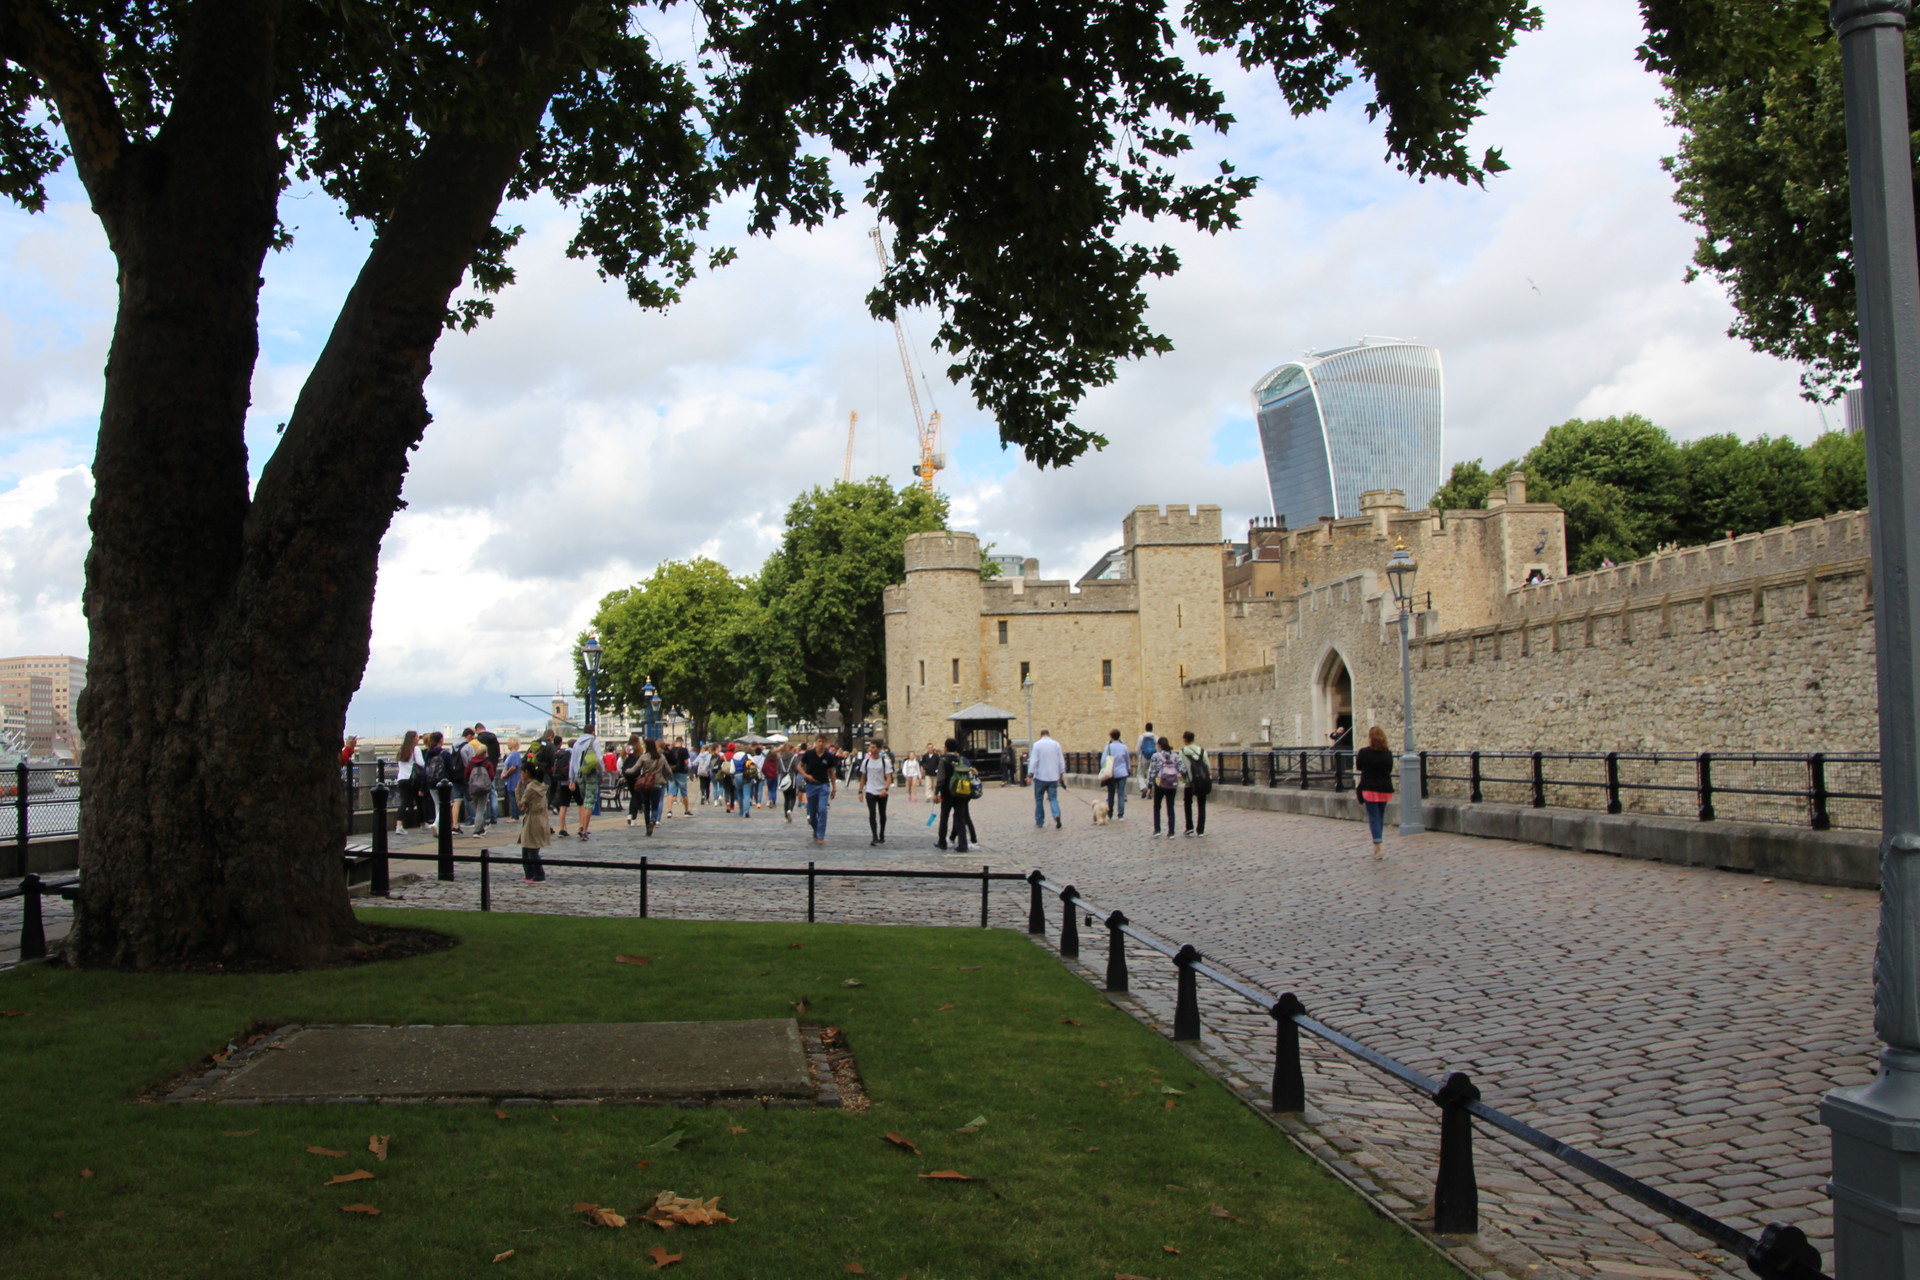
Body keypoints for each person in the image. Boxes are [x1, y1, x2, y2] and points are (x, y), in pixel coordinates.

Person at [517, 733, 554, 882]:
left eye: (522, 772)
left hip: (532, 820)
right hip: (540, 819)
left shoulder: (530, 788)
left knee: (529, 850)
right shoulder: (540, 785)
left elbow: (522, 806)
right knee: (531, 849)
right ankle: (531, 874)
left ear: (526, 773)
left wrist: (517, 791)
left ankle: (536, 874)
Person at [1355, 725, 1396, 860]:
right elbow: (1389, 769)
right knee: (1380, 816)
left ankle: (1378, 845)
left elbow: (1359, 766)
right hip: (1384, 787)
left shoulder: (1364, 752)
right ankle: (1378, 841)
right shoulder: (1387, 753)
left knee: (1373, 817)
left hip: (1369, 787)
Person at [936, 737, 978, 852]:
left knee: (944, 817)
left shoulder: (943, 760)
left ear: (946, 747)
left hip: (947, 793)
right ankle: (962, 844)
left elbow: (941, 779)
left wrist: (936, 792)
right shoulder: (961, 759)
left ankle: (942, 842)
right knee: (960, 819)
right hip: (960, 792)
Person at [798, 734, 836, 845]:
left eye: (823, 742)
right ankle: (816, 829)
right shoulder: (809, 754)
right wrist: (805, 775)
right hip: (811, 785)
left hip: (823, 785)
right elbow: (799, 766)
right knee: (812, 813)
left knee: (822, 810)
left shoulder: (828, 756)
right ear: (816, 742)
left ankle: (820, 835)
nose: (821, 744)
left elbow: (831, 772)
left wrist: (834, 788)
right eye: (819, 741)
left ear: (826, 743)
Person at [1028, 728, 1065, 829]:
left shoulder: (1037, 745)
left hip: (1040, 776)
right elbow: (1061, 761)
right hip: (1053, 777)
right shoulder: (1056, 744)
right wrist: (1061, 775)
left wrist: (1030, 775)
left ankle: (1040, 821)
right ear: (1049, 734)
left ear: (1041, 735)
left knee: (1039, 799)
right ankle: (1056, 814)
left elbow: (1033, 761)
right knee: (1053, 799)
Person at [1148, 735, 1184, 838]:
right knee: (1170, 807)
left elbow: (1152, 772)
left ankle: (1157, 829)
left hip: (1160, 784)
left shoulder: (1156, 756)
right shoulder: (1175, 756)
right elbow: (1182, 768)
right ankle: (1171, 831)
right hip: (1172, 784)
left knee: (1157, 807)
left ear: (1159, 745)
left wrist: (1150, 786)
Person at [859, 739, 892, 845]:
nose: (871, 749)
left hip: (881, 790)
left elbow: (888, 777)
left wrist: (885, 789)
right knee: (872, 813)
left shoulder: (885, 762)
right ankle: (874, 836)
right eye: (870, 747)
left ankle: (882, 833)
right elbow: (863, 778)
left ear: (879, 749)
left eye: (873, 747)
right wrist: (860, 791)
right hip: (870, 790)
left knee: (882, 814)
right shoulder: (866, 762)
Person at [1179, 731, 1210, 836]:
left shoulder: (1183, 752)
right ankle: (1200, 829)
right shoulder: (1202, 751)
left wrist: (1185, 778)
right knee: (1201, 805)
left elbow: (1181, 768)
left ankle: (1189, 827)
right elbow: (1207, 766)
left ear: (1185, 739)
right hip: (1201, 781)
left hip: (1189, 782)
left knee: (1188, 804)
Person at [391, 729, 421, 833]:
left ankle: (399, 824)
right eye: (417, 736)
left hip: (401, 778)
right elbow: (421, 763)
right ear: (413, 738)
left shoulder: (401, 749)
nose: (418, 738)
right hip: (411, 778)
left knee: (404, 801)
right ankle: (423, 822)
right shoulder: (415, 749)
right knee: (419, 800)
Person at [465, 742, 497, 837]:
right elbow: (491, 775)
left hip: (473, 788)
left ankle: (481, 828)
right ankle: (477, 830)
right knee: (481, 809)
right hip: (484, 788)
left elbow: (466, 776)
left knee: (476, 808)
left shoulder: (470, 763)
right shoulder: (487, 763)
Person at [1100, 728, 1130, 819]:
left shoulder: (1108, 747)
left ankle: (1110, 813)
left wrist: (1103, 769)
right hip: (1122, 772)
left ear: (1111, 737)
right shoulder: (1124, 747)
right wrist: (1128, 768)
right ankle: (1121, 815)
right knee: (1121, 794)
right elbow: (1127, 760)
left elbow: (1103, 761)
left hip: (1111, 773)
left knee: (1111, 794)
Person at [499, 737, 523, 822]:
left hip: (514, 779)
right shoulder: (509, 755)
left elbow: (513, 767)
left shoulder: (515, 754)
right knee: (511, 797)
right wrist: (503, 773)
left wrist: (505, 774)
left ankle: (515, 816)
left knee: (514, 798)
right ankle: (513, 815)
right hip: (509, 780)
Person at [668, 736, 692, 816]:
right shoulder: (684, 750)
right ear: (681, 742)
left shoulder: (671, 750)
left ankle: (669, 811)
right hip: (681, 772)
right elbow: (686, 762)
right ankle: (686, 811)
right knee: (684, 792)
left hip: (672, 772)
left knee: (671, 792)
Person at [1137, 723, 1157, 800]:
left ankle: (1143, 787)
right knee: (1150, 774)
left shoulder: (1141, 737)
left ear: (1145, 728)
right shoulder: (1155, 737)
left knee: (1140, 774)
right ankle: (1149, 790)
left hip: (1143, 757)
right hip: (1153, 757)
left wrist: (1139, 755)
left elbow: (1138, 748)